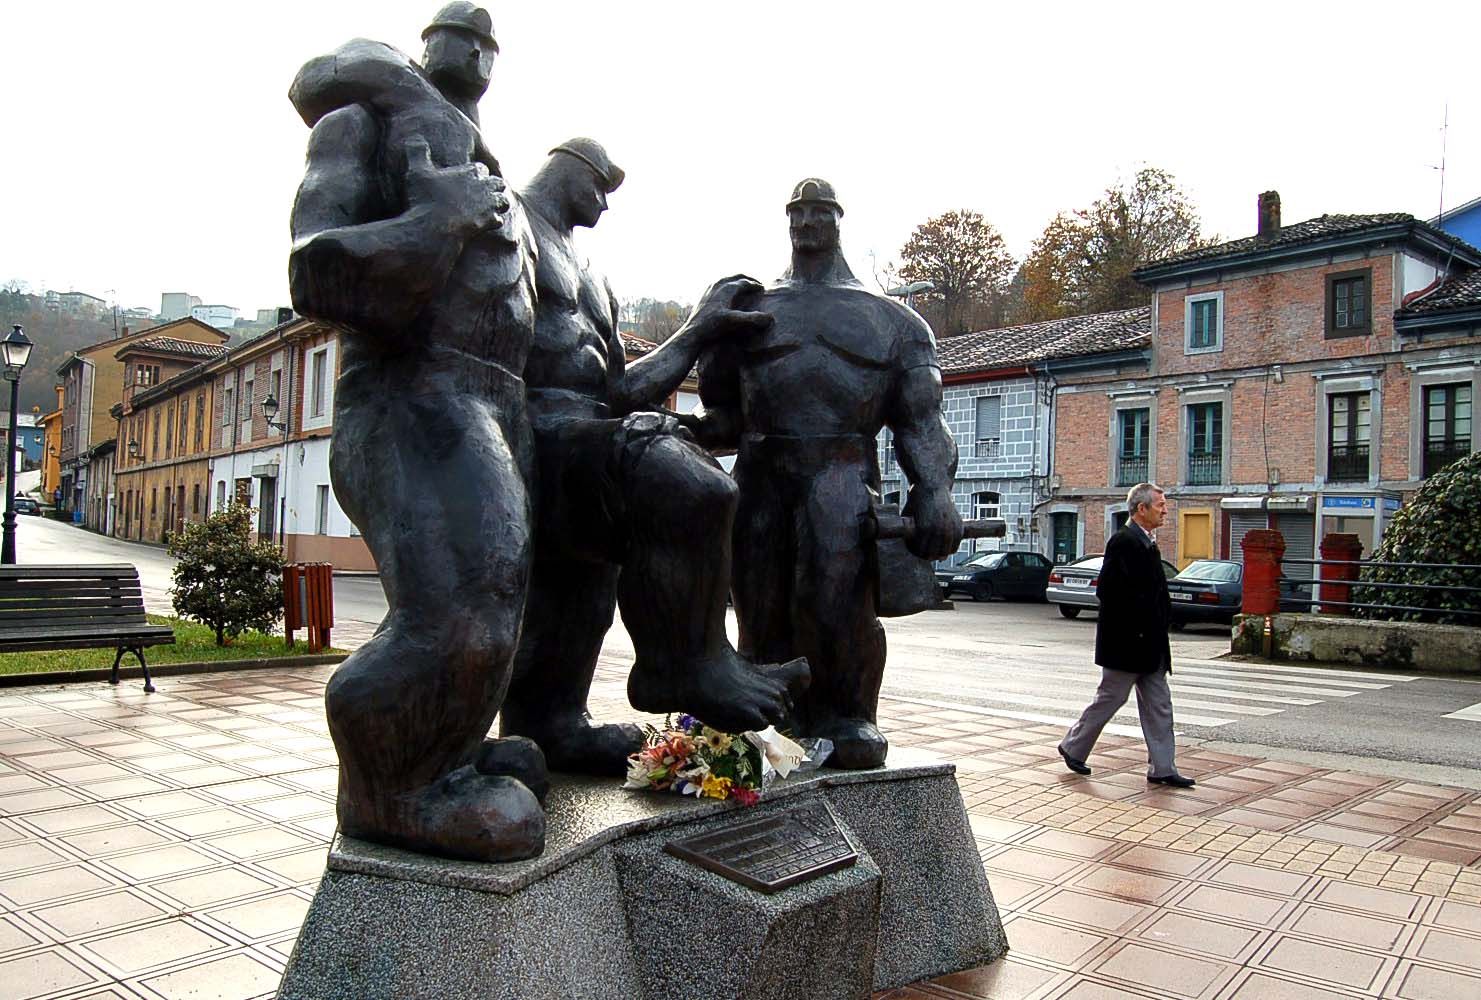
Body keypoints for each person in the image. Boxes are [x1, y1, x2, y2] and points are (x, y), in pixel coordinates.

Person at [287, 3, 550, 861]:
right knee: (461, 607)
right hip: (411, 390)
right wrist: (439, 223)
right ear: (425, 46)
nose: (469, 51)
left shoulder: (483, 163)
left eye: (483, 42)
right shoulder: (363, 124)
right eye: (453, 37)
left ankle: (451, 749)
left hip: (498, 399)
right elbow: (313, 267)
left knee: (502, 599)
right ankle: (389, 790)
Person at [499, 140, 808, 773]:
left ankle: (550, 722)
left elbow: (616, 390)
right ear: (571, 171)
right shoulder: (508, 221)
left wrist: (699, 329)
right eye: (601, 188)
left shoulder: (592, 274)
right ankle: (683, 665)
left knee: (585, 586)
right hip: (526, 431)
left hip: (582, 437)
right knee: (694, 488)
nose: (605, 204)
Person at [692, 178, 963, 769]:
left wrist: (934, 490)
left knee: (835, 598)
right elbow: (722, 414)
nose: (807, 222)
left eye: (820, 212)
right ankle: (770, 718)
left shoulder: (893, 321)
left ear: (839, 219)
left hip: (841, 473)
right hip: (761, 474)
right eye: (798, 211)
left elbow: (920, 420)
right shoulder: (749, 312)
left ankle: (846, 713)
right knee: (760, 603)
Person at [1058, 482, 1194, 787]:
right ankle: (1073, 746)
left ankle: (1163, 768)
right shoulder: (1123, 541)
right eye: (1160, 505)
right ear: (1141, 509)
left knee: (1160, 706)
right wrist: (1140, 626)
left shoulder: (1148, 541)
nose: (1165, 510)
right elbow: (1109, 592)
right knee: (1110, 698)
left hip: (1152, 645)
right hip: (1128, 645)